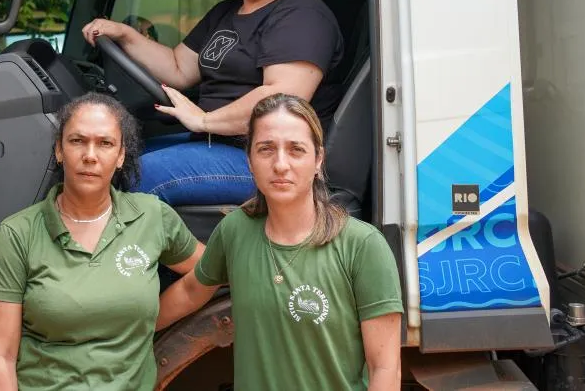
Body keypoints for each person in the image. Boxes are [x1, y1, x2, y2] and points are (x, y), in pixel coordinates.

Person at [82, 0, 344, 205]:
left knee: (134, 177)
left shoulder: (302, 15)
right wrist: (125, 34)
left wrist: (205, 120)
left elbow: (278, 102)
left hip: (270, 159)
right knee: (115, 158)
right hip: (219, 143)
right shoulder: (225, 12)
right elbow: (178, 68)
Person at [156, 93, 402, 390]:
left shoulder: (362, 246)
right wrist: (129, 329)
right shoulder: (235, 230)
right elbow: (192, 289)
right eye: (266, 149)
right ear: (249, 160)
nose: (280, 164)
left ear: (318, 159)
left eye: (296, 150)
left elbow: (385, 369)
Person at [0, 93, 204, 391]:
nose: (90, 155)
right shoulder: (17, 233)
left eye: (105, 143)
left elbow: (207, 274)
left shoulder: (152, 216)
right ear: (59, 150)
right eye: (77, 141)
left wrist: (142, 324)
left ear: (122, 155)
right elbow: (0, 357)